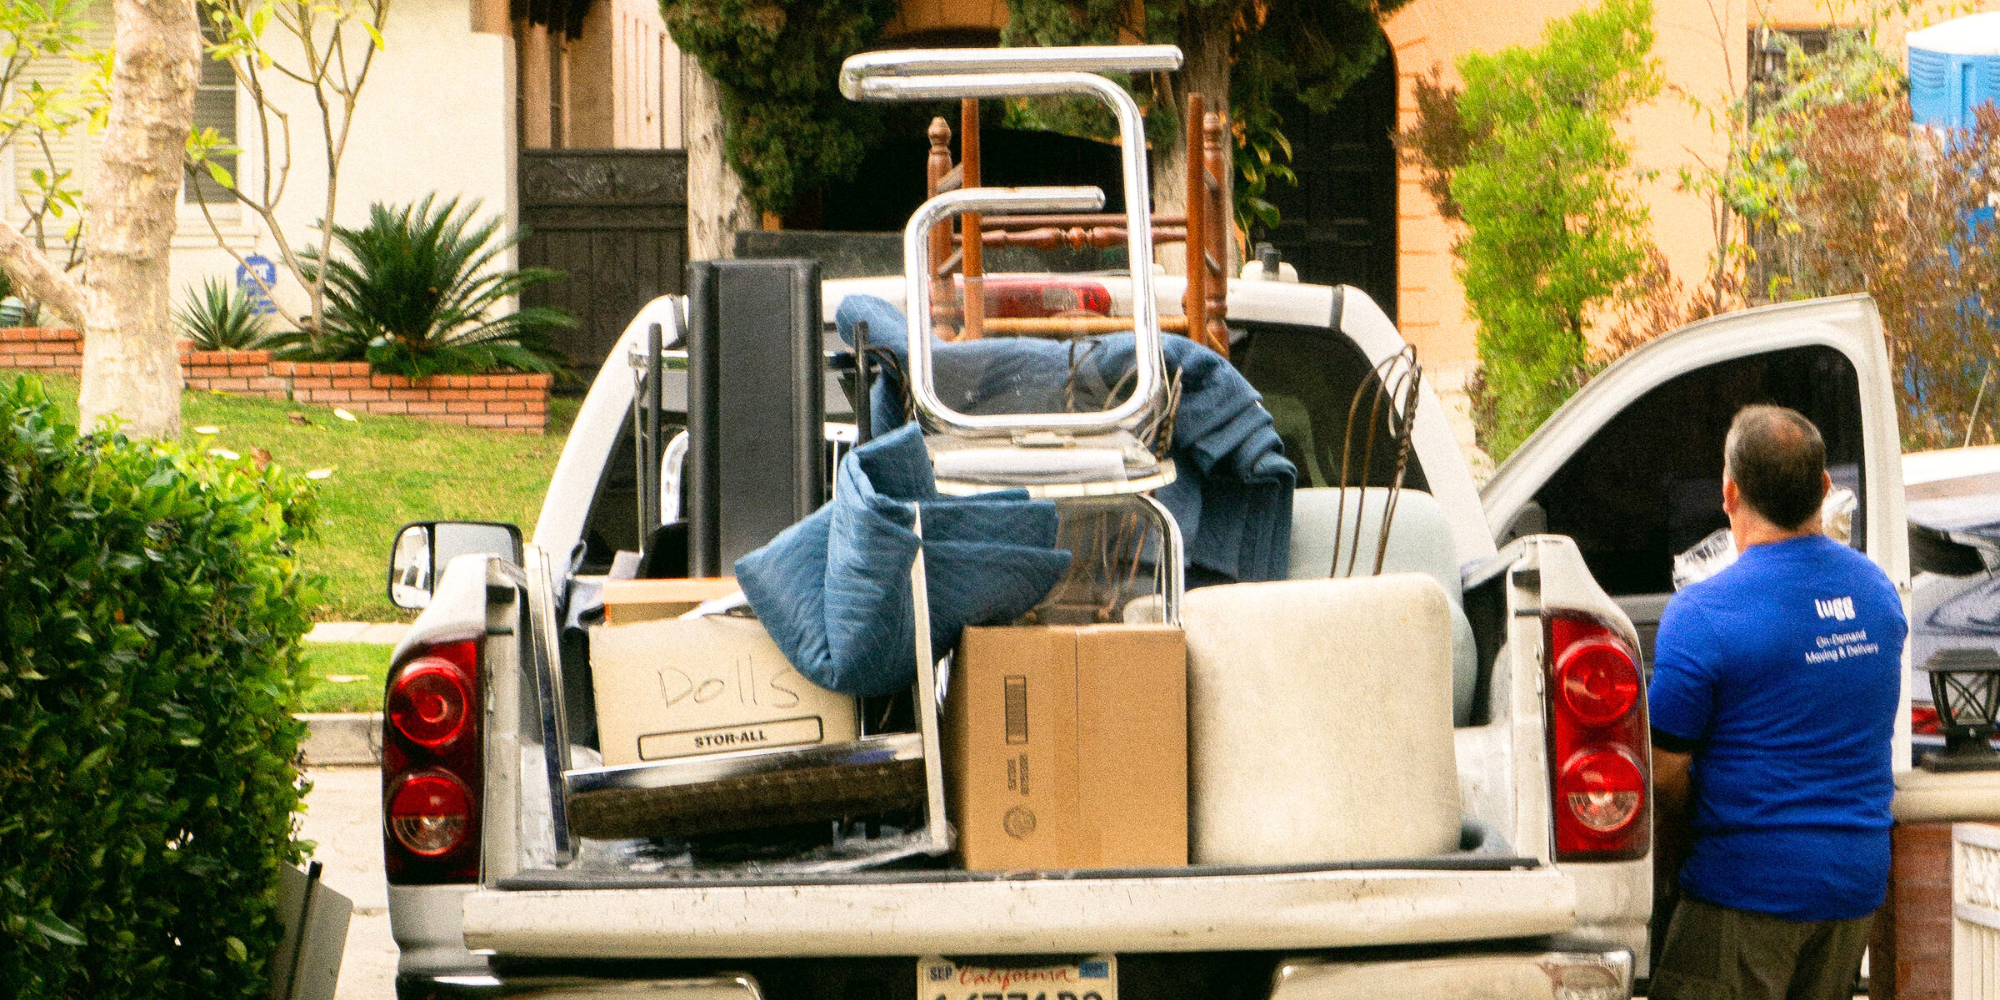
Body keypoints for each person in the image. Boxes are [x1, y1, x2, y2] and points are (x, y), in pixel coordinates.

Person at [1648, 405, 1906, 1000]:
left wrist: (1669, 873)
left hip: (1743, 893)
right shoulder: (1876, 594)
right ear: (1823, 487)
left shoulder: (1702, 614)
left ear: (1729, 492)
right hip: (1851, 893)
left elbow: (1665, 775)